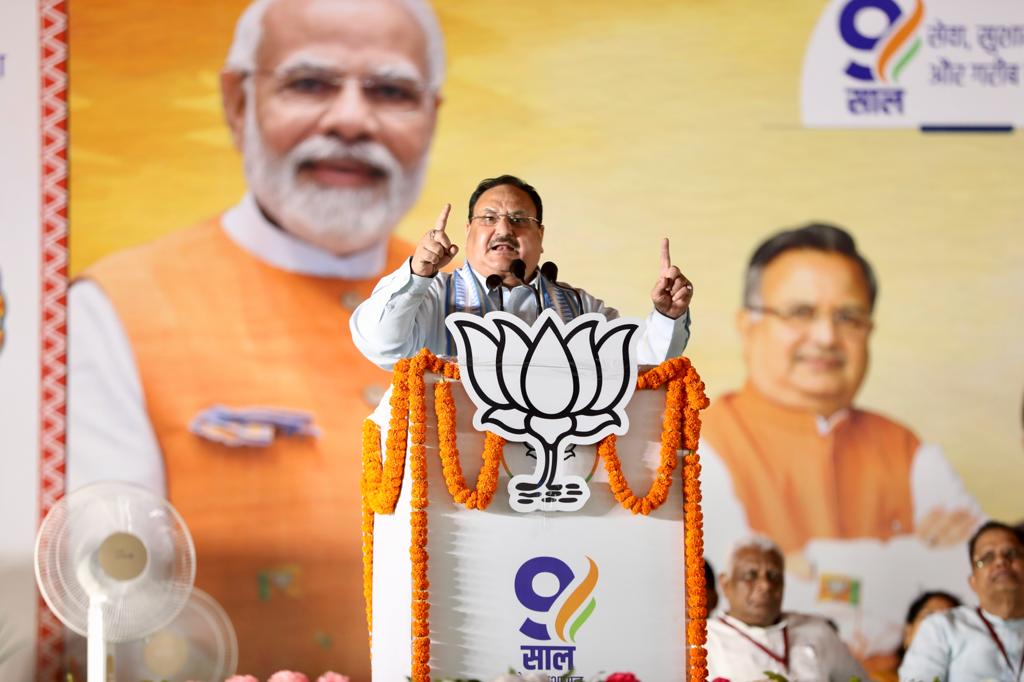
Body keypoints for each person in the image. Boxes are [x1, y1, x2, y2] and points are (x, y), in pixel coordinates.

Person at [66, 0, 444, 677]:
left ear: (432, 117)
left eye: (391, 91)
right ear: (237, 103)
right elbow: (96, 609)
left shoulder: (486, 316)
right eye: (310, 83)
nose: (353, 120)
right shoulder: (113, 311)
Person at [699, 223, 982, 664]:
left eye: (848, 317)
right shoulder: (704, 439)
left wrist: (814, 564)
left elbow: (978, 585)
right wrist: (907, 558)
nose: (828, 337)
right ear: (747, 326)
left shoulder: (907, 450)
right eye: (800, 312)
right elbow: (734, 591)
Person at [350, 174, 693, 368]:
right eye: (488, 218)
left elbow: (643, 364)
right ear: (468, 231)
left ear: (540, 236)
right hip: (451, 484)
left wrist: (666, 317)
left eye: (519, 220)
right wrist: (417, 274)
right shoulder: (434, 294)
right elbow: (382, 345)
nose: (504, 230)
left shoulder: (579, 309)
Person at [706, 536, 867, 681]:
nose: (765, 585)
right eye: (751, 575)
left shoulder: (818, 630)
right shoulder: (704, 641)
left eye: (774, 576)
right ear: (725, 584)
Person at [900, 521, 1024, 681]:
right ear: (973, 581)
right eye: (987, 557)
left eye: (1011, 553)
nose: (1000, 561)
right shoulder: (941, 628)